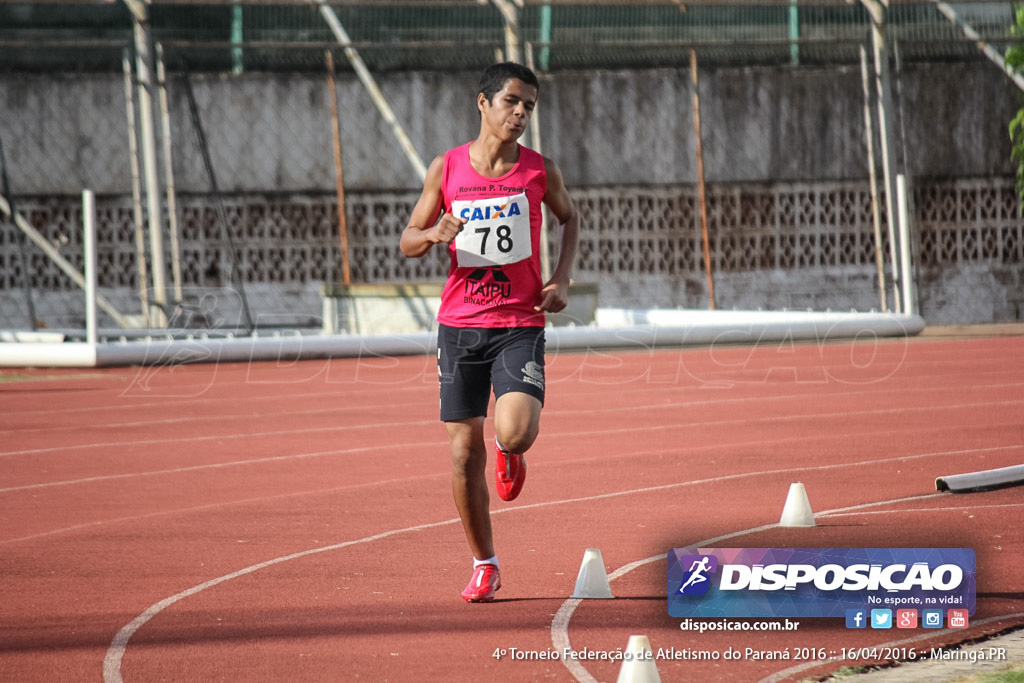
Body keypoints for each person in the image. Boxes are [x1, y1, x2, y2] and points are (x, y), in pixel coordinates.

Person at [400, 62, 579, 603]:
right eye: (511, 102)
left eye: (529, 106)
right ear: (483, 103)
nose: (521, 113)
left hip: (519, 323)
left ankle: (510, 448)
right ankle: (485, 563)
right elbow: (407, 240)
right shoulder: (447, 168)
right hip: (459, 327)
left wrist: (561, 278)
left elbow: (569, 218)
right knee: (460, 456)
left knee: (518, 431)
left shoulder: (539, 171)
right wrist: (433, 233)